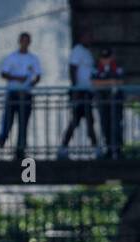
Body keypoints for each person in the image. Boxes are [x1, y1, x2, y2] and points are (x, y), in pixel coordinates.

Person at [0, 33, 41, 160]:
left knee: (23, 123)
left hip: (26, 94)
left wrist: (29, 84)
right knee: (8, 120)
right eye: (23, 40)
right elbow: (3, 74)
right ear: (19, 41)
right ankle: (2, 139)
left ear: (29, 42)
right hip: (13, 93)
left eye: (27, 41)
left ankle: (20, 149)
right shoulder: (12, 57)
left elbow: (38, 76)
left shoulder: (33, 58)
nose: (24, 43)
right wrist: (17, 78)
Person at [58, 29, 97, 160]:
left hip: (87, 92)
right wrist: (76, 89)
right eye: (88, 36)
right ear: (81, 38)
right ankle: (96, 147)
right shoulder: (78, 50)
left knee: (77, 121)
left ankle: (64, 146)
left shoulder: (87, 52)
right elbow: (72, 69)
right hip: (80, 92)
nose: (90, 39)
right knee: (86, 120)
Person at [91, 47, 125, 159]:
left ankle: (118, 149)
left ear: (111, 57)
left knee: (116, 124)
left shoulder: (117, 66)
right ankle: (109, 149)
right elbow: (94, 82)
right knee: (105, 125)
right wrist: (110, 82)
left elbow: (120, 82)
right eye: (103, 58)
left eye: (107, 58)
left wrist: (103, 83)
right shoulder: (97, 67)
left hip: (116, 101)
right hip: (103, 101)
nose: (105, 60)